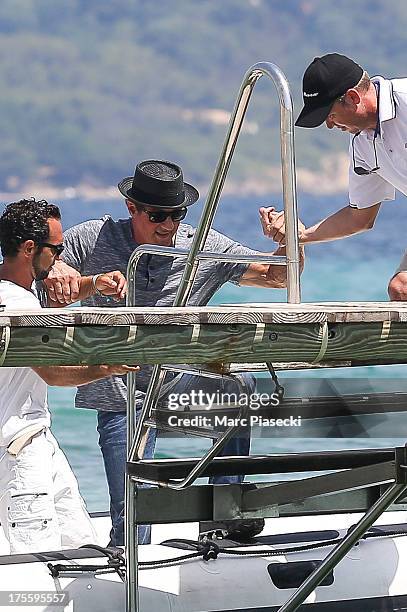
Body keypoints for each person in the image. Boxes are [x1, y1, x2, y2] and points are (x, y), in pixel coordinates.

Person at [46, 160, 305, 546]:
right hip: (120, 394)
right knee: (132, 521)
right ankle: (129, 567)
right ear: (131, 208)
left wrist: (290, 241)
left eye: (177, 214)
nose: (168, 225)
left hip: (179, 384)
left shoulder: (201, 245)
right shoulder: (93, 237)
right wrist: (62, 273)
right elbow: (44, 270)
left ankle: (223, 516)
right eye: (157, 216)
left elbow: (278, 276)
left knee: (240, 385)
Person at [0, 198, 139, 554]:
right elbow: (54, 373)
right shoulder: (20, 305)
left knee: (83, 544)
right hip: (16, 450)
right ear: (30, 248)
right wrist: (106, 366)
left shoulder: (18, 294)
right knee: (37, 556)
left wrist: (94, 284)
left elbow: (58, 297)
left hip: (35, 440)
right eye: (56, 250)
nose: (59, 258)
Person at [260, 53, 407, 299]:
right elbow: (358, 218)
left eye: (329, 114)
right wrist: (299, 236)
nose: (328, 125)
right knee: (401, 290)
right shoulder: (361, 146)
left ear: (352, 97)